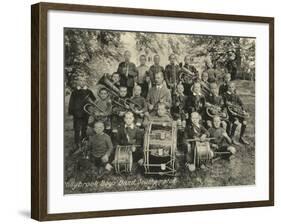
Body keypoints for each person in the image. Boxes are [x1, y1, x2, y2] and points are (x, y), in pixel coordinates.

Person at [68, 78, 96, 149]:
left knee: (84, 127)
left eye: (83, 81)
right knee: (77, 128)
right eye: (80, 81)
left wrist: (90, 107)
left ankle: (83, 140)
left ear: (86, 82)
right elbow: (71, 102)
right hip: (77, 112)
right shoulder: (75, 91)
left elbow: (94, 100)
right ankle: (76, 142)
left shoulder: (89, 91)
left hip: (85, 112)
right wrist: (71, 111)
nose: (82, 82)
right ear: (78, 82)